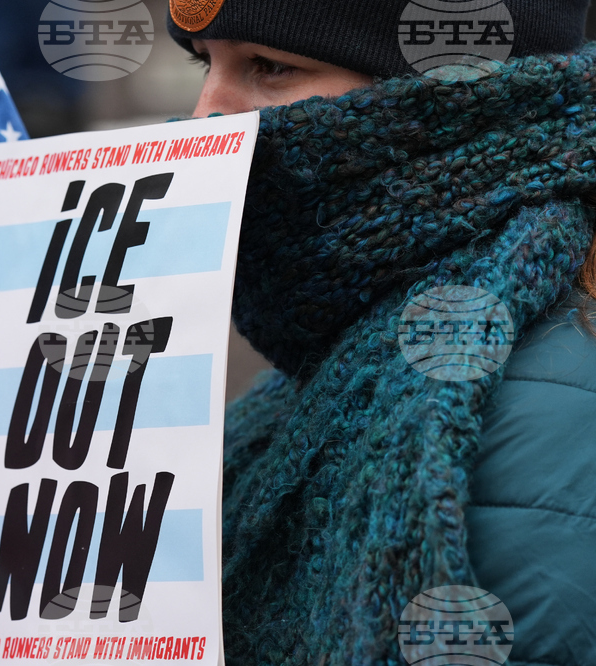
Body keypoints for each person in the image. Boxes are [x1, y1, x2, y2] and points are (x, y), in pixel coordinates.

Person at [166, 1, 596, 664]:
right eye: (205, 65)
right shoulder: (336, 359)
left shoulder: (532, 417)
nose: (203, 118)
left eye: (270, 66)